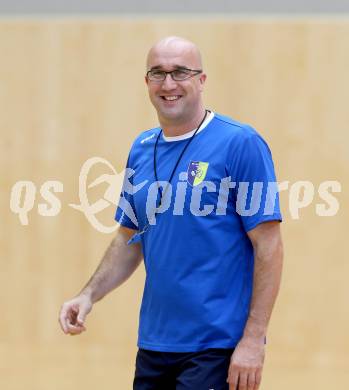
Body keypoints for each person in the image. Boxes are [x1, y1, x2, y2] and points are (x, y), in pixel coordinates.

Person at [59, 36, 283, 390]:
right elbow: (131, 237)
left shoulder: (240, 143)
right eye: (158, 73)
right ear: (146, 82)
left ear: (202, 80)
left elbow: (269, 245)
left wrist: (254, 340)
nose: (168, 84)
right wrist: (88, 295)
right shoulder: (141, 148)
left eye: (180, 72)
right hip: (154, 345)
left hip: (216, 347)